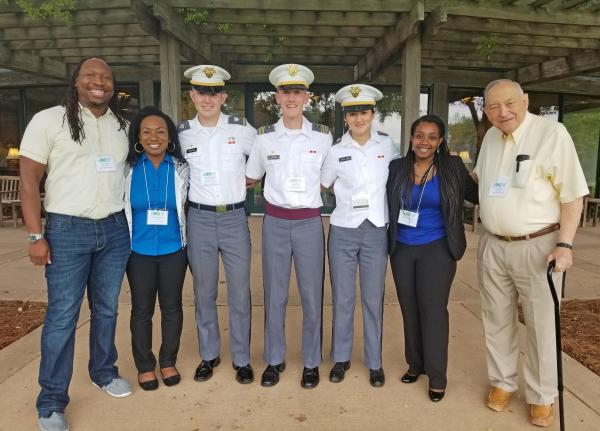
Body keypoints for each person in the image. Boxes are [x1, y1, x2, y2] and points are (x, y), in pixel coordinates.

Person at [19, 58, 131, 431]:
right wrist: (36, 235)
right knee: (63, 317)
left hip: (115, 230)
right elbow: (29, 182)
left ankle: (103, 372)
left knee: (107, 310)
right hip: (67, 230)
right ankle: (51, 402)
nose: (99, 82)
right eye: (91, 76)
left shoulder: (121, 126)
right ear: (76, 82)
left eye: (106, 77)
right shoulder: (48, 120)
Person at [473, 79, 587, 427]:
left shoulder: (552, 134)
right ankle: (503, 382)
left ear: (525, 100)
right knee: (496, 318)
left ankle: (541, 395)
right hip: (493, 244)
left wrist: (564, 245)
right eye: (493, 107)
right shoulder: (491, 137)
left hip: (539, 245)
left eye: (509, 103)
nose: (502, 112)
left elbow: (572, 196)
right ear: (486, 111)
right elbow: (482, 181)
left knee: (541, 325)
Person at [246, 64, 332, 389]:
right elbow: (250, 176)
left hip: (310, 222)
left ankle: (311, 362)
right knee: (275, 295)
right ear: (277, 96)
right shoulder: (264, 139)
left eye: (298, 91)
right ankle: (274, 359)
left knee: (312, 295)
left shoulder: (324, 138)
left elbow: (329, 181)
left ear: (307, 97)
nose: (292, 97)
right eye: (286, 91)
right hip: (276, 224)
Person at [387, 114, 478, 402]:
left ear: (440, 141)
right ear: (411, 139)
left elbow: (477, 195)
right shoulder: (396, 167)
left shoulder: (452, 167)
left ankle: (437, 377)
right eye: (419, 135)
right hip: (401, 247)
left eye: (431, 136)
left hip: (437, 248)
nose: (424, 142)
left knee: (434, 310)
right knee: (409, 308)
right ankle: (416, 365)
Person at [178, 65, 257, 384]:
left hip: (234, 218)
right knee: (204, 291)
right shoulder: (182, 133)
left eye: (214, 93)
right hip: (198, 218)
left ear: (223, 96)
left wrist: (248, 180)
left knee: (239, 291)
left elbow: (262, 161)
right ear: (192, 95)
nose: (207, 99)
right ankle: (209, 355)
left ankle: (241, 358)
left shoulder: (242, 130)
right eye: (201, 92)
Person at [321, 84, 399, 387]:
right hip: (343, 230)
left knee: (372, 297)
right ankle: (340, 358)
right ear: (345, 117)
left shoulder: (387, 146)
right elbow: (325, 184)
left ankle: (375, 362)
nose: (358, 118)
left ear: (373, 113)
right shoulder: (336, 151)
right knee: (342, 297)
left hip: (376, 230)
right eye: (352, 113)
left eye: (363, 112)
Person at [124, 106, 189, 391]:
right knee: (141, 309)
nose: (154, 137)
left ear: (169, 136)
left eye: (161, 131)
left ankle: (167, 361)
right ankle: (145, 365)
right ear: (138, 136)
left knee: (172, 307)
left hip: (175, 248)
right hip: (138, 250)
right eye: (147, 131)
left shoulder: (181, 169)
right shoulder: (126, 170)